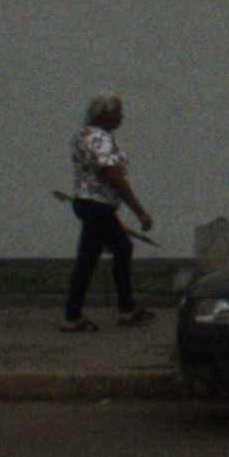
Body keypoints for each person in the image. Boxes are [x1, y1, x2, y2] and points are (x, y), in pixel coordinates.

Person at [63, 93, 155, 329]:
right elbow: (112, 174)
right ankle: (75, 315)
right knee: (95, 256)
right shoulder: (100, 138)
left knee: (114, 249)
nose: (121, 117)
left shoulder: (82, 135)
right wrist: (140, 211)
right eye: (118, 112)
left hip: (86, 202)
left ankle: (124, 307)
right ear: (104, 114)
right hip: (98, 205)